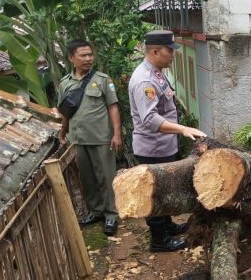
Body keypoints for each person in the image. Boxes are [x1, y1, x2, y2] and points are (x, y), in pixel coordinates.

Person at [128, 30, 207, 252]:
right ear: (155, 51)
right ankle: (158, 241)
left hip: (164, 145)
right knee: (156, 193)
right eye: (169, 51)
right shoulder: (144, 80)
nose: (173, 55)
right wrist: (182, 129)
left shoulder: (157, 73)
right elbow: (150, 119)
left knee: (165, 190)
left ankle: (168, 227)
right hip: (152, 148)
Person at [57, 40, 122, 236]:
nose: (88, 59)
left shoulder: (102, 79)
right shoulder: (65, 83)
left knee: (106, 177)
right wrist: (62, 134)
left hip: (101, 137)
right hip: (77, 139)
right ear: (71, 58)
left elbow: (113, 107)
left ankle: (111, 214)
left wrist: (117, 134)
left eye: (90, 55)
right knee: (87, 179)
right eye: (83, 55)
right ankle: (96, 211)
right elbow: (64, 112)